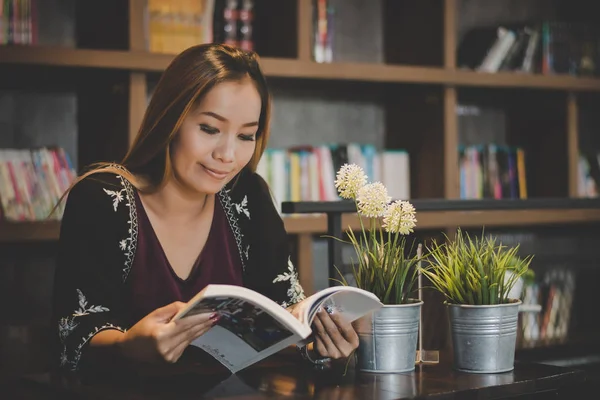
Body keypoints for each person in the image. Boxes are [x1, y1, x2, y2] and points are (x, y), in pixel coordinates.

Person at [52, 43, 359, 374]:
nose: (227, 155)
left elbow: (285, 315)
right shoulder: (102, 199)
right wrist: (130, 346)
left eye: (246, 136)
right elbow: (73, 338)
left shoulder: (248, 196)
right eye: (210, 129)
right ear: (171, 118)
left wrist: (316, 344)